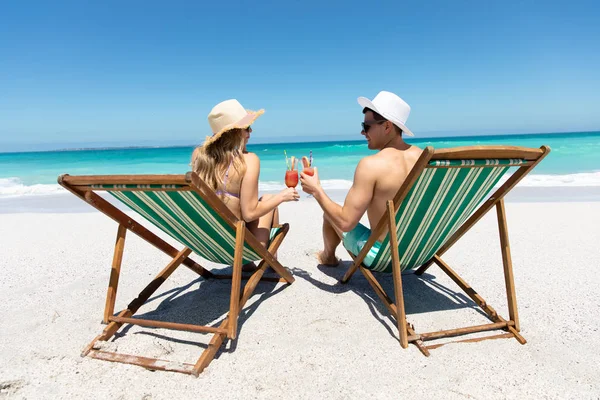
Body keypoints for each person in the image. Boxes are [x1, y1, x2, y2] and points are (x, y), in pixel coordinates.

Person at [300, 91, 423, 266]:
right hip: (420, 253)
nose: (362, 132)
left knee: (331, 214)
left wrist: (316, 190)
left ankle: (328, 257)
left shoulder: (371, 165)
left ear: (387, 127)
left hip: (385, 259)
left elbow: (345, 222)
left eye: (366, 126)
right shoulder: (424, 159)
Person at [192, 99, 299, 269]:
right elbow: (249, 213)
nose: (250, 132)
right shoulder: (248, 160)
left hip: (206, 244)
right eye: (246, 128)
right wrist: (282, 197)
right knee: (270, 200)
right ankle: (271, 262)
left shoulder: (198, 155)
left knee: (253, 203)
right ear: (234, 132)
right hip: (238, 249)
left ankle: (256, 264)